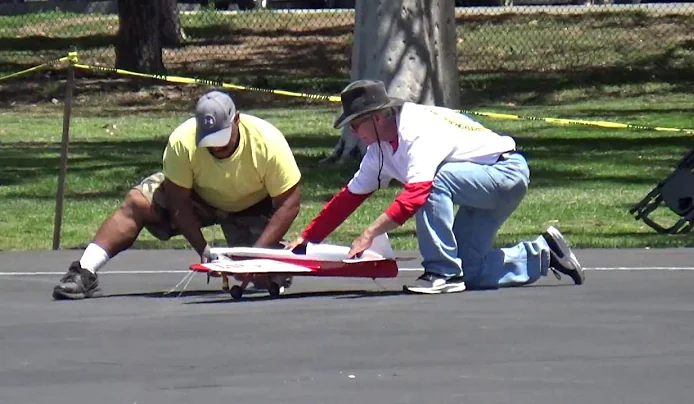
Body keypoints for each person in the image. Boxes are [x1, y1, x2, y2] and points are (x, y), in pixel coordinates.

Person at [285, 79, 584, 294]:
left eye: (355, 124)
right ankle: (544, 252)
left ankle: (442, 272)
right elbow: (348, 199)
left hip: (505, 173)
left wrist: (370, 232)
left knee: (433, 183)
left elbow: (416, 194)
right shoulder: (379, 150)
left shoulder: (416, 130)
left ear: (376, 118)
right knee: (474, 272)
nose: (352, 131)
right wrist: (306, 240)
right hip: (479, 185)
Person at [53, 90, 303, 300]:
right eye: (209, 141)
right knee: (138, 202)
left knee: (270, 276)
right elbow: (178, 201)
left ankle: (270, 256)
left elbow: (289, 203)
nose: (216, 147)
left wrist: (256, 257)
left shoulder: (268, 141)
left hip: (251, 205)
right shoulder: (182, 142)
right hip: (199, 198)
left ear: (236, 120)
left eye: (222, 140)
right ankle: (84, 270)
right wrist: (203, 250)